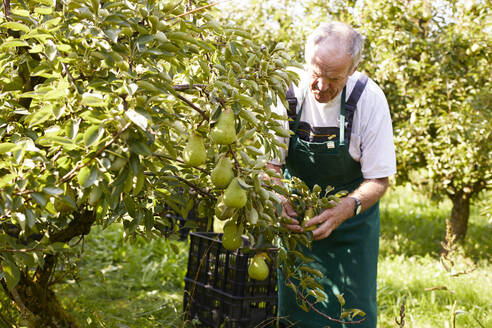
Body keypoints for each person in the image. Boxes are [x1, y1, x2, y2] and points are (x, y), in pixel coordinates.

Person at [267, 22, 396, 327]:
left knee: (354, 313)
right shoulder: (286, 91)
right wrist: (277, 193)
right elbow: (270, 164)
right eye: (315, 73)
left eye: (334, 78)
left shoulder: (368, 100)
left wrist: (345, 209)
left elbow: (378, 180)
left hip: (353, 224)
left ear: (353, 69)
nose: (321, 86)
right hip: (297, 222)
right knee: (297, 311)